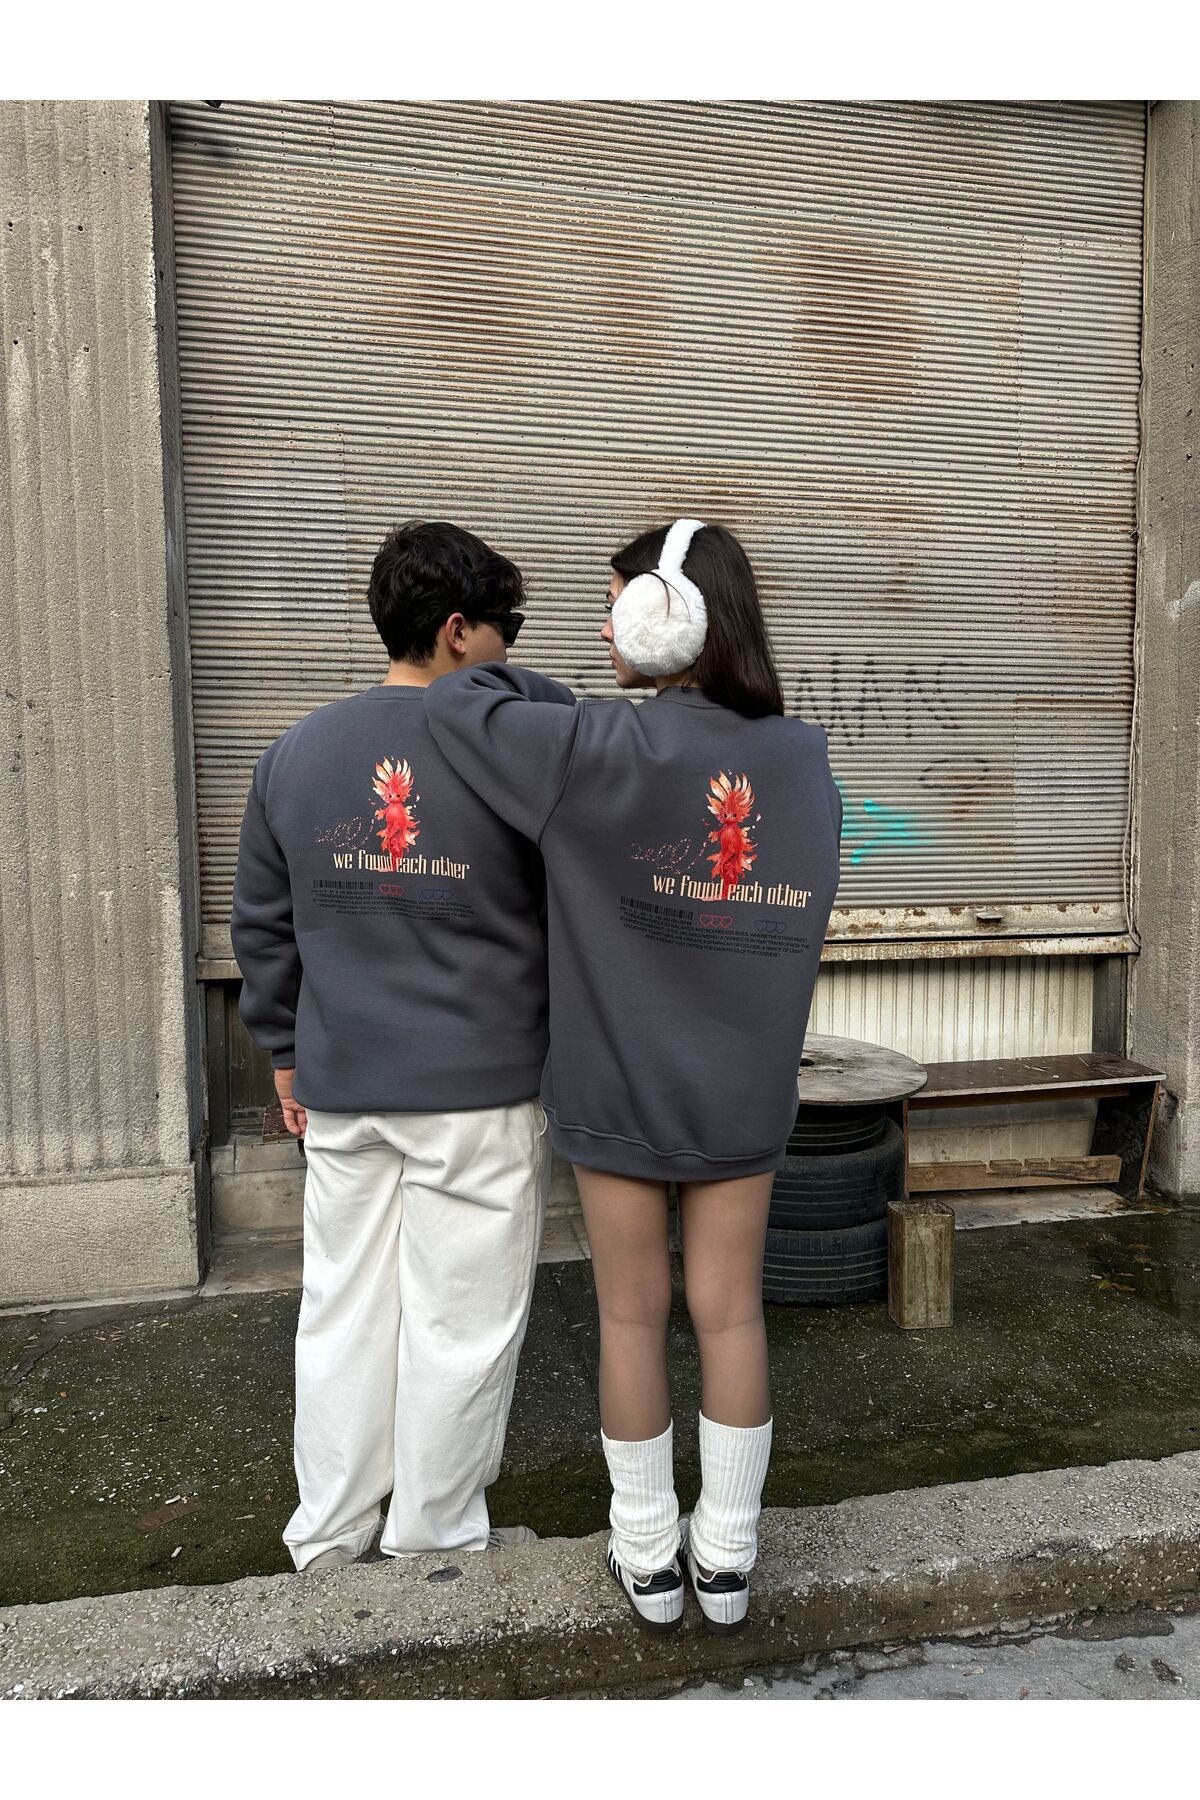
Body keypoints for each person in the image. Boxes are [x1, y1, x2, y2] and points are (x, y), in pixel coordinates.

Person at [426, 519, 842, 1635]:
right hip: (743, 1091)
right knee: (731, 1315)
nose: (606, 627)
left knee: (628, 1313)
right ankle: (728, 1560)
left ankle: (650, 1558)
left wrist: (562, 695)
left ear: (669, 620)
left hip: (613, 1086)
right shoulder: (804, 762)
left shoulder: (588, 747)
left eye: (618, 606)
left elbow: (460, 703)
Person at [231, 520, 552, 1571]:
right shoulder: (513, 747)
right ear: (459, 630)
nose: (511, 652)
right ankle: (433, 1540)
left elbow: (263, 926)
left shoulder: (294, 753)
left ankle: (328, 1535)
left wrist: (286, 1055)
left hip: (344, 1084)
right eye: (505, 630)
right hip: (478, 1089)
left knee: (342, 1313)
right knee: (461, 1325)